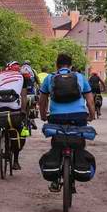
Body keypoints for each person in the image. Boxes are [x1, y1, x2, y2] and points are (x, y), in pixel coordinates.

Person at [38, 53, 96, 192]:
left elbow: (42, 101)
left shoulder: (49, 78)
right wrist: (91, 115)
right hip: (78, 117)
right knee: (79, 141)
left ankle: (55, 179)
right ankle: (77, 168)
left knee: (57, 141)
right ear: (70, 66)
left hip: (56, 117)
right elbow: (90, 101)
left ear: (56, 65)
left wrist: (43, 115)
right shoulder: (80, 78)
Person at [0, 61, 27, 170]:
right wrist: (23, 111)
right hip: (14, 107)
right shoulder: (21, 77)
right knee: (19, 129)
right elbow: (24, 97)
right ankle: (15, 161)